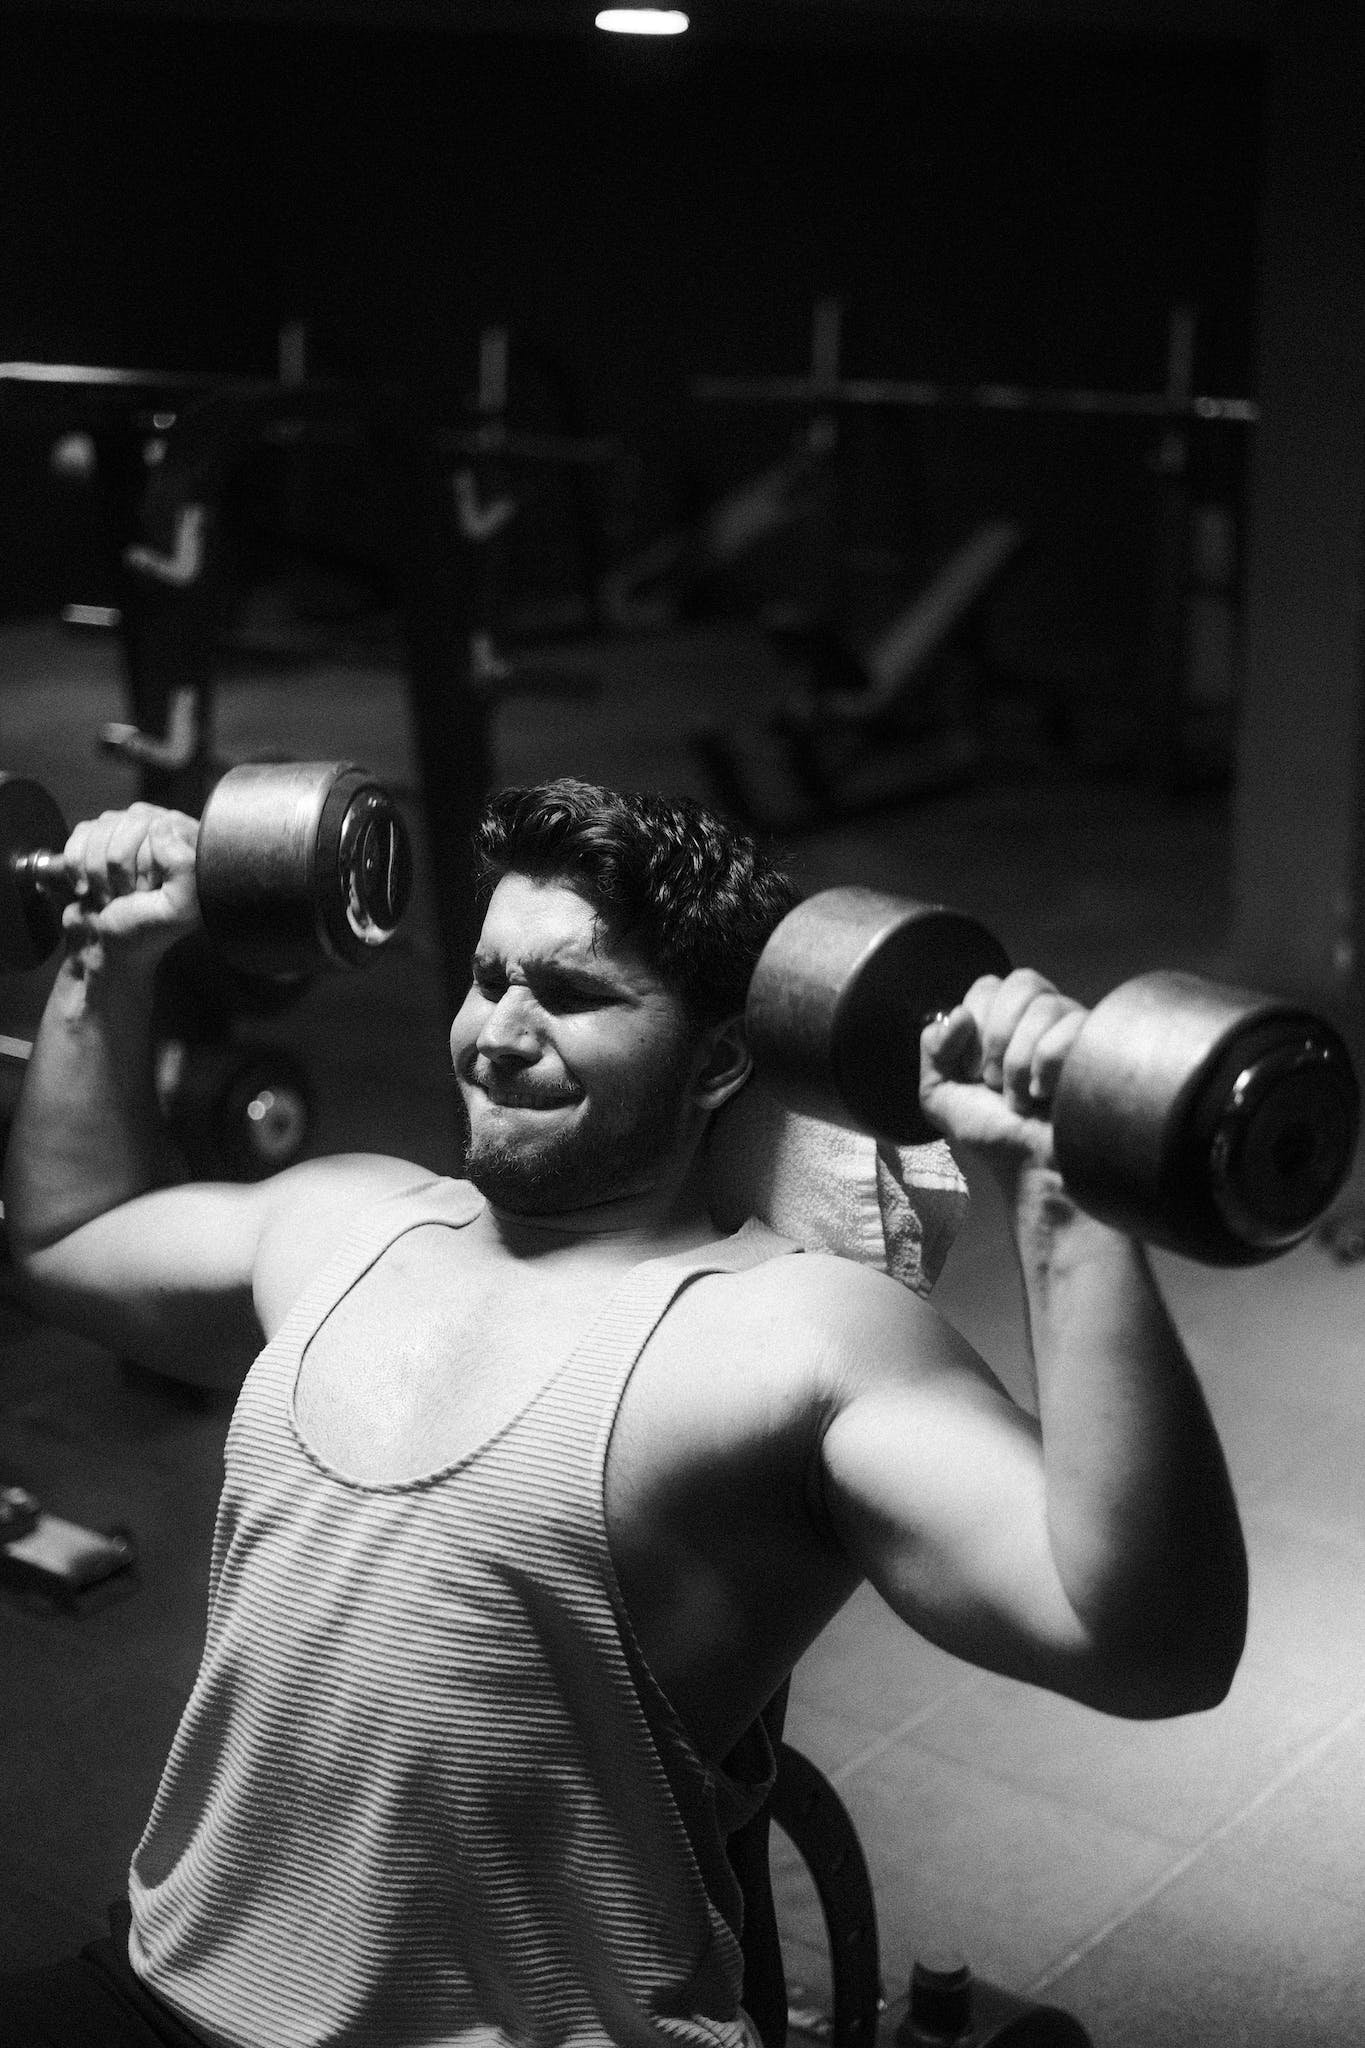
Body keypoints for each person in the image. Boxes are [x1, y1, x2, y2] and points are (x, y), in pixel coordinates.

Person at [0, 777, 1248, 2048]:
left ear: (716, 1058)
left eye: (572, 992)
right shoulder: (344, 1218)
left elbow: (1147, 1641)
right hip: (169, 1983)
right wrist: (106, 954)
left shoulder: (786, 1325)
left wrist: (1064, 1201)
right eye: (487, 977)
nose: (497, 1029)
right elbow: (66, 1238)